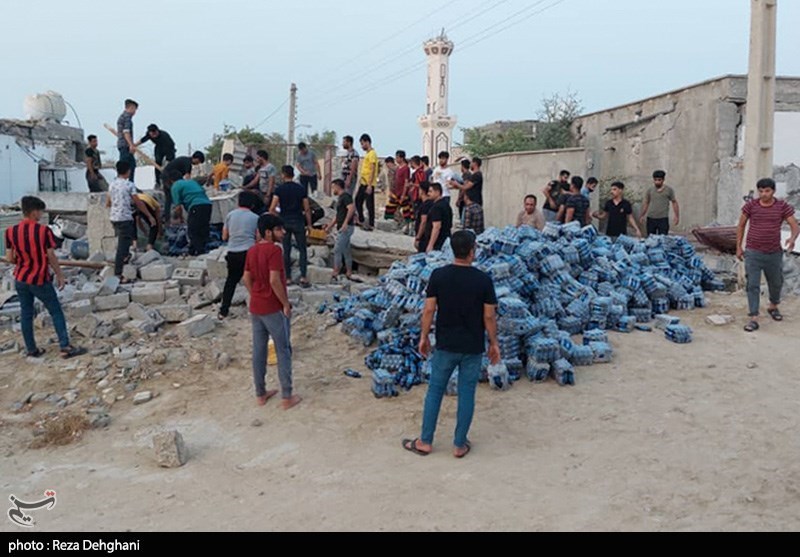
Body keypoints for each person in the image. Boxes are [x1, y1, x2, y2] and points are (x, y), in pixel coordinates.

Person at [402, 230, 500, 459]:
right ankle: (458, 445)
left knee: (435, 390)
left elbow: (428, 309)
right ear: (472, 251)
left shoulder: (439, 276)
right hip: (472, 346)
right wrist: (494, 343)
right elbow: (489, 317)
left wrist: (424, 337)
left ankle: (425, 441)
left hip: (445, 344)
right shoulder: (483, 280)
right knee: (467, 393)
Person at [4, 197, 86, 360]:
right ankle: (65, 346)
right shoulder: (43, 231)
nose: (41, 215)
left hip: (21, 278)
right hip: (39, 278)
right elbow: (51, 256)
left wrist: (22, 259)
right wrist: (60, 275)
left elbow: (9, 258)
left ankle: (31, 349)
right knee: (55, 311)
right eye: (40, 212)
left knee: (26, 313)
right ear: (34, 211)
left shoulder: (10, 232)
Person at [244, 213, 301, 410]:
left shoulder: (252, 251)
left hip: (256, 307)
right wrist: (285, 303)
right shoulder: (274, 251)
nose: (283, 233)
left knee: (259, 351)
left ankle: (260, 393)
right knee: (283, 349)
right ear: (268, 232)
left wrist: (256, 294)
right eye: (278, 229)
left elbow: (246, 278)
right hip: (273, 308)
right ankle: (287, 396)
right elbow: (274, 280)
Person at [736, 178, 799, 333]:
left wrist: (792, 238)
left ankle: (773, 306)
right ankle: (753, 317)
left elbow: (794, 225)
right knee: (753, 285)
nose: (764, 194)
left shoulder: (782, 206)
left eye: (767, 191)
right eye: (761, 191)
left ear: (773, 191)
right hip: (753, 252)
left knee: (776, 282)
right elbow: (741, 225)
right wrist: (738, 247)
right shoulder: (751, 206)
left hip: (774, 253)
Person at [219, 191, 261, 320]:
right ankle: (258, 308)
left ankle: (223, 311)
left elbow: (224, 236)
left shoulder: (230, 215)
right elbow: (258, 238)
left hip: (233, 252)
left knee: (231, 281)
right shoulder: (255, 217)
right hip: (249, 252)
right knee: (254, 281)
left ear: (238, 202)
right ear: (252, 204)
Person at [269, 166, 312, 288]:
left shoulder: (279, 189)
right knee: (302, 250)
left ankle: (287, 278)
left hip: (284, 222)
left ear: (283, 175)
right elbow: (307, 208)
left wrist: (279, 218)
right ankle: (303, 277)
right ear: (293, 175)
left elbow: (272, 208)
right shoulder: (300, 189)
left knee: (286, 250)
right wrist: (309, 224)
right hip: (298, 221)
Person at [107, 161, 150, 280]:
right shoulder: (129, 185)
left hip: (114, 218)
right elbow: (138, 202)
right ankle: (118, 273)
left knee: (125, 243)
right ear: (128, 171)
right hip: (125, 218)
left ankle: (125, 260)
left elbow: (108, 202)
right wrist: (149, 215)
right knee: (122, 246)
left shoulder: (112, 184)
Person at [167, 169, 213, 256]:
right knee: (203, 229)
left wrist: (180, 218)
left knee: (193, 231)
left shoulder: (175, 186)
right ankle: (194, 251)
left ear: (171, 180)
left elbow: (178, 207)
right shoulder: (191, 182)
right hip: (207, 205)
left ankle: (200, 254)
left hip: (196, 206)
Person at [325, 179, 356, 282]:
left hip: (346, 228)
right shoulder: (340, 199)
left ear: (338, 186)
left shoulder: (346, 197)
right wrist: (329, 226)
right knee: (346, 251)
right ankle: (349, 272)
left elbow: (351, 208)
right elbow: (338, 215)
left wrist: (345, 223)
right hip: (342, 226)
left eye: (333, 187)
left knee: (337, 249)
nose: (333, 189)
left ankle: (336, 271)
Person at [161, 152, 207, 221]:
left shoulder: (185, 160)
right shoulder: (188, 163)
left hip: (166, 176)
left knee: (169, 199)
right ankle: (175, 217)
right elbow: (188, 178)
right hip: (168, 178)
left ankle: (169, 217)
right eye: (198, 162)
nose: (198, 164)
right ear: (196, 158)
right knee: (175, 197)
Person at [640, 170, 680, 236]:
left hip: (663, 219)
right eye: (655, 180)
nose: (657, 182)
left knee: (663, 239)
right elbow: (646, 203)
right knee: (651, 239)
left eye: (659, 180)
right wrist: (642, 215)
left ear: (663, 180)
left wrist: (676, 216)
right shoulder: (650, 190)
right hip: (651, 218)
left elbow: (674, 202)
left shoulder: (669, 190)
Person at [355, 134, 378, 231]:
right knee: (358, 200)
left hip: (369, 183)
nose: (362, 146)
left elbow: (372, 169)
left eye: (362, 143)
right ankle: (361, 219)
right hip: (363, 182)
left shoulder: (372, 154)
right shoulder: (367, 154)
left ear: (367, 142)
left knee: (369, 204)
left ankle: (371, 224)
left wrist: (369, 185)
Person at [422, 183, 453, 253]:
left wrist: (430, 244)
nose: (428, 193)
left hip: (438, 243)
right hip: (445, 240)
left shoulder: (437, 208)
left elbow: (436, 227)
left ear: (438, 192)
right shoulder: (445, 205)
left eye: (430, 191)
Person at [116, 99, 138, 182]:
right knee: (127, 166)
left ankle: (127, 183)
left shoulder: (122, 116)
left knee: (128, 165)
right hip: (125, 145)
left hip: (122, 144)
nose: (135, 112)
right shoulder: (127, 117)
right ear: (131, 108)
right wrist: (131, 145)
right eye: (134, 109)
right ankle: (127, 183)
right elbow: (126, 132)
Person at [414, 182, 434, 253]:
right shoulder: (426, 203)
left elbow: (423, 221)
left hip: (424, 237)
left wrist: (418, 237)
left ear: (422, 191)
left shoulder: (426, 205)